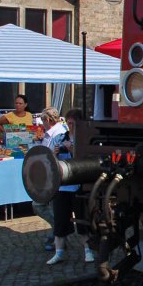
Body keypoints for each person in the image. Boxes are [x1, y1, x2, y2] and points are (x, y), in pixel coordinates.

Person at [39, 106, 94, 265]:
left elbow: (86, 161)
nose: (70, 126)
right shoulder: (61, 137)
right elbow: (51, 160)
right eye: (68, 123)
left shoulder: (85, 140)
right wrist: (55, 153)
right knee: (60, 221)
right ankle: (59, 252)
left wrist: (73, 149)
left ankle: (88, 250)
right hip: (62, 185)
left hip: (78, 184)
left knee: (82, 220)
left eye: (73, 123)